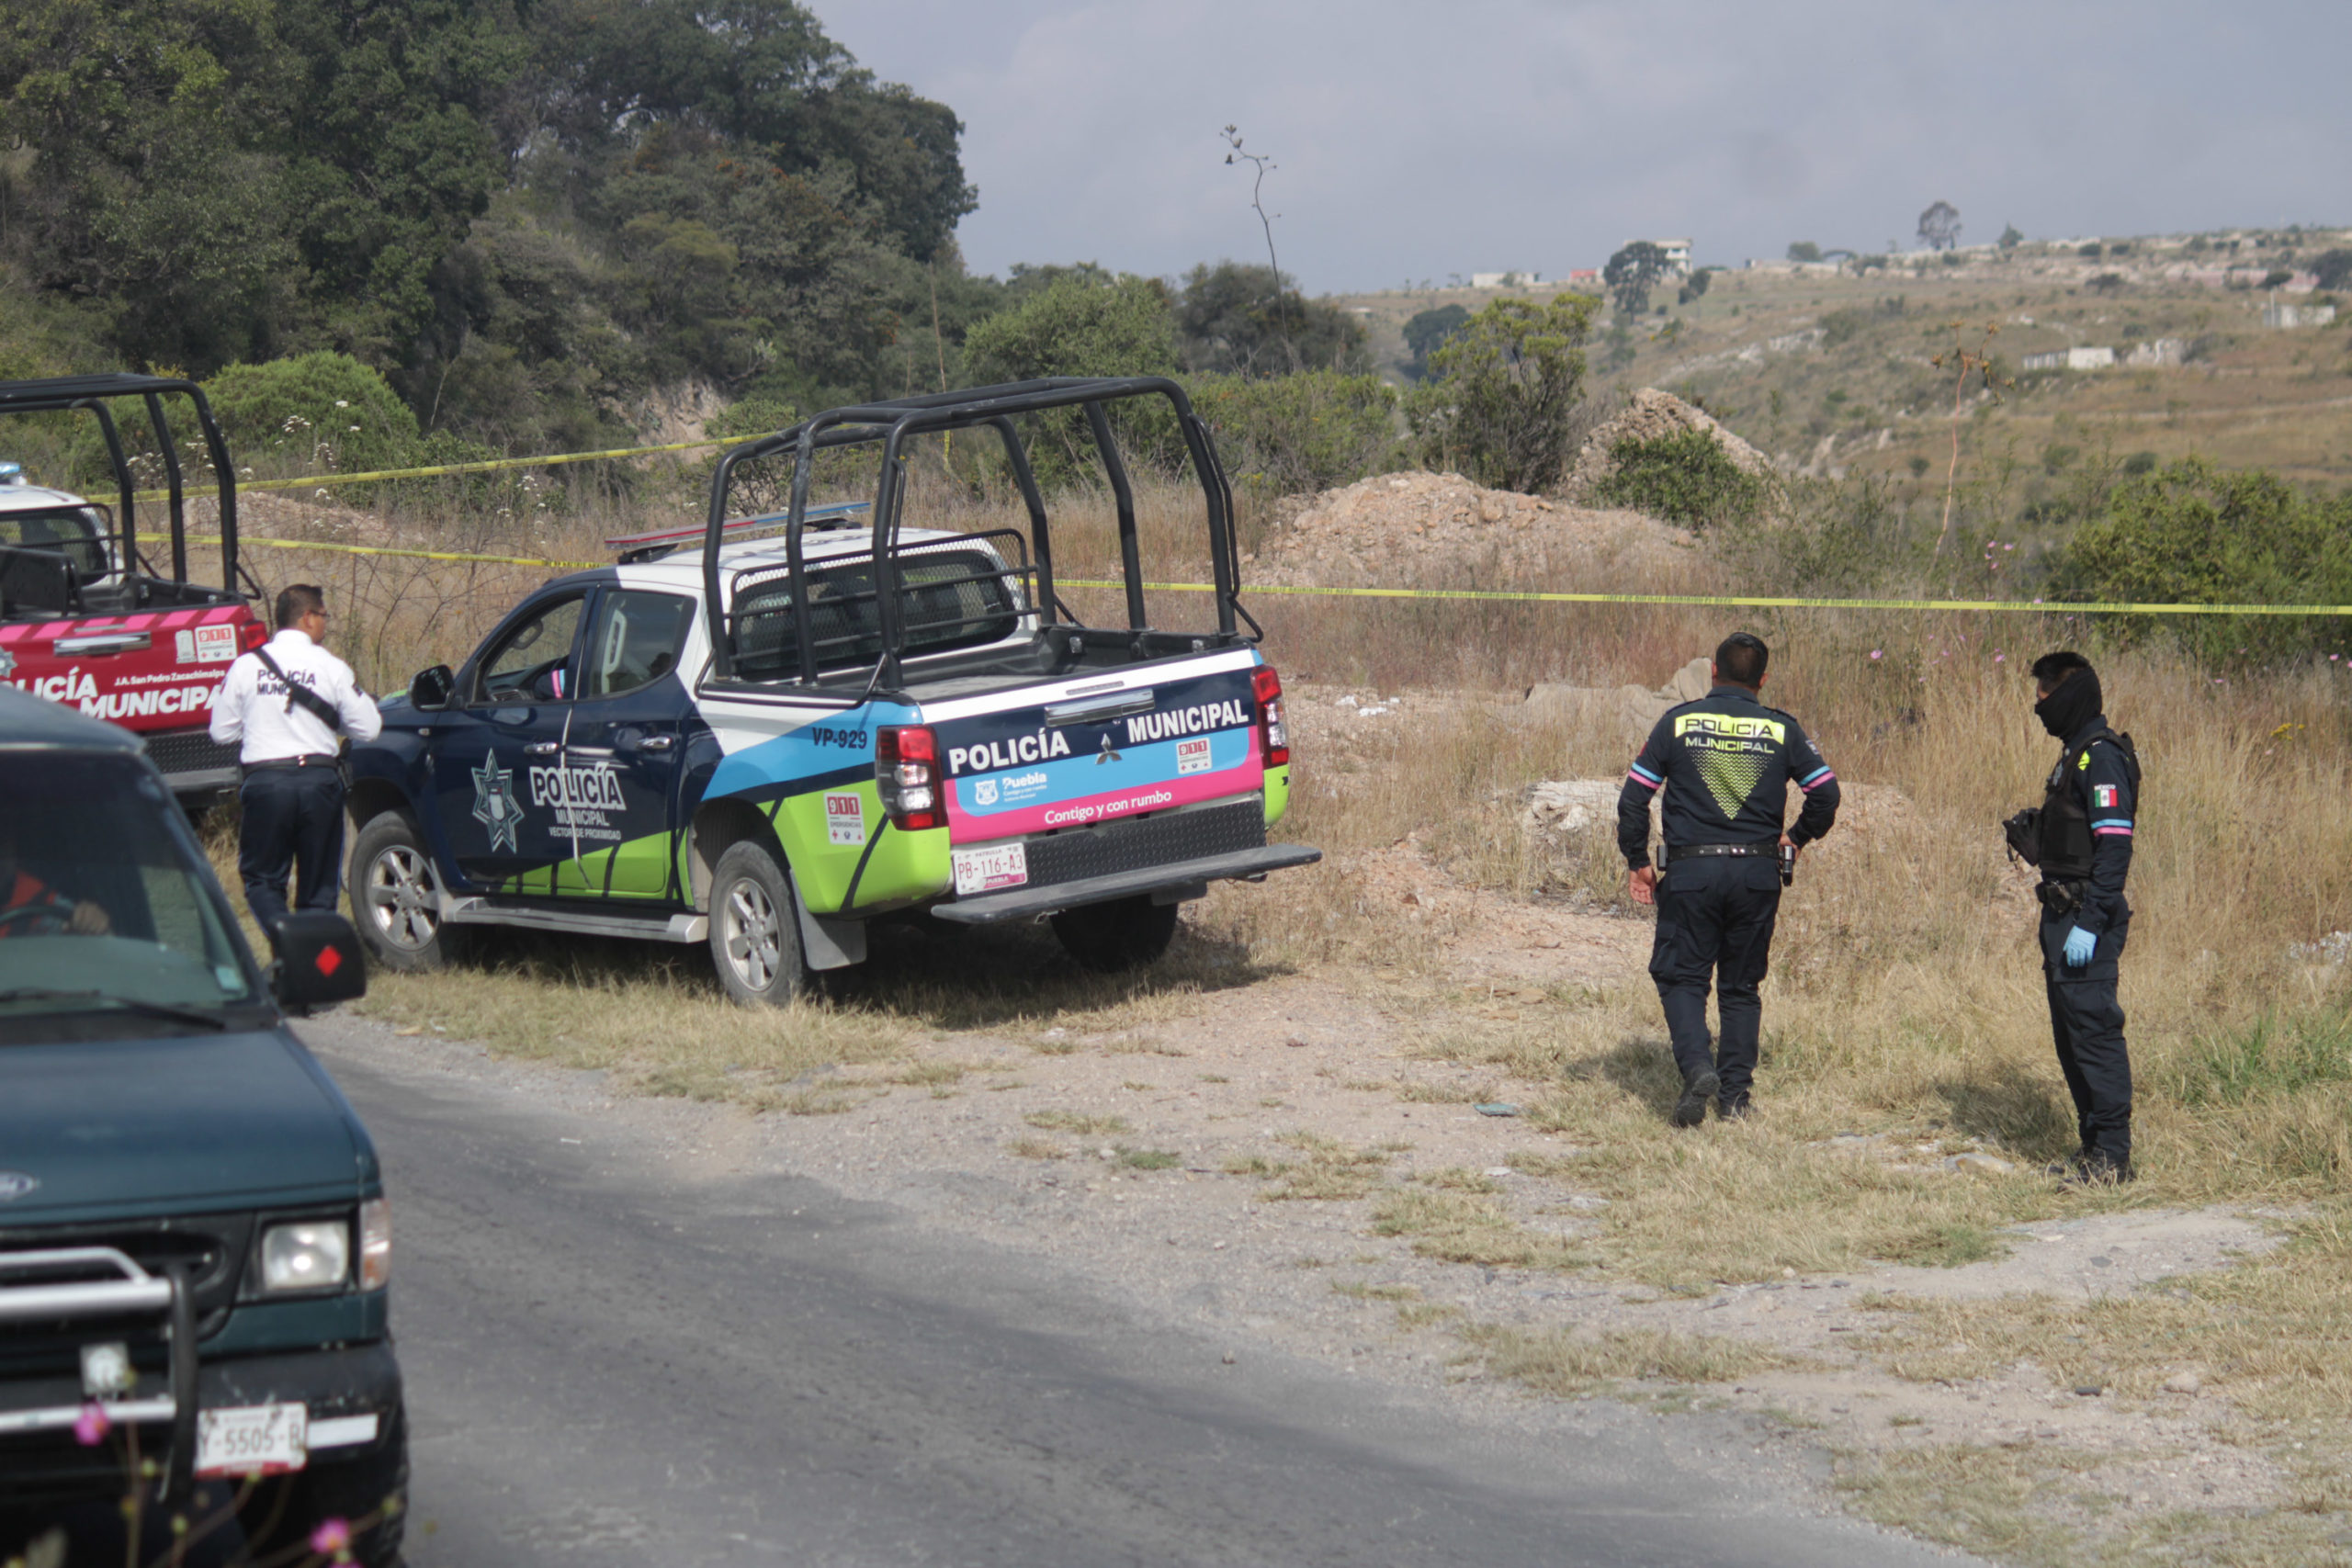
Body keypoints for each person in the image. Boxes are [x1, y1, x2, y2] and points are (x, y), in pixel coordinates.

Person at [1616, 633, 1840, 1126]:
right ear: (1762, 680)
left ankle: (1698, 1067)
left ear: (1713, 672)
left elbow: (1634, 799)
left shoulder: (1678, 722)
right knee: (1741, 986)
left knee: (1681, 976)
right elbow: (1825, 793)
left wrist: (1637, 860)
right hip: (1758, 874)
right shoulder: (1782, 729)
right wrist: (1797, 838)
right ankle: (1735, 1099)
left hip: (1692, 872)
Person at [2013, 651, 2140, 1183]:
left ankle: (2113, 1157)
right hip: (2060, 913)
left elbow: (2114, 850)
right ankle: (2092, 1150)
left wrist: (2090, 922)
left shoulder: (2101, 757)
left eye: (2043, 694)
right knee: (2070, 1036)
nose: (2038, 705)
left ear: (2067, 695)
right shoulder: (2074, 755)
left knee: (2094, 1033)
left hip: (2085, 917)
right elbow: (2080, 835)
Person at [209, 584, 382, 933]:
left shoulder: (246, 666)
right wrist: (332, 722)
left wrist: (262, 725)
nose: (325, 624)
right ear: (307, 618)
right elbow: (370, 727)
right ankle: (313, 964)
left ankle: (284, 940)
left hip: (267, 782)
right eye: (323, 615)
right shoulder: (330, 666)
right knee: (319, 889)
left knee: (262, 881)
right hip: (319, 783)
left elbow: (221, 732)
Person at [0, 821, 110, 938]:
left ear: (14, 853)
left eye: (3, 851)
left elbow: (100, 942)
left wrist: (92, 922)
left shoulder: (40, 899)